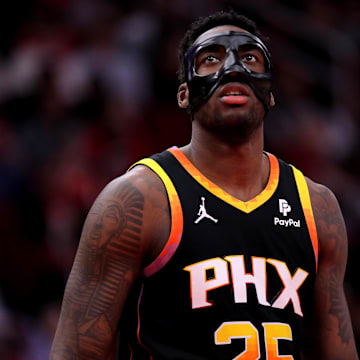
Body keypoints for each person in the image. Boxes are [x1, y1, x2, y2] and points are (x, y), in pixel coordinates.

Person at [50, 10, 359, 360]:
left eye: (250, 57)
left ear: (271, 94)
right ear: (184, 94)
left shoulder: (317, 208)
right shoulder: (138, 199)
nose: (233, 69)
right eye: (211, 58)